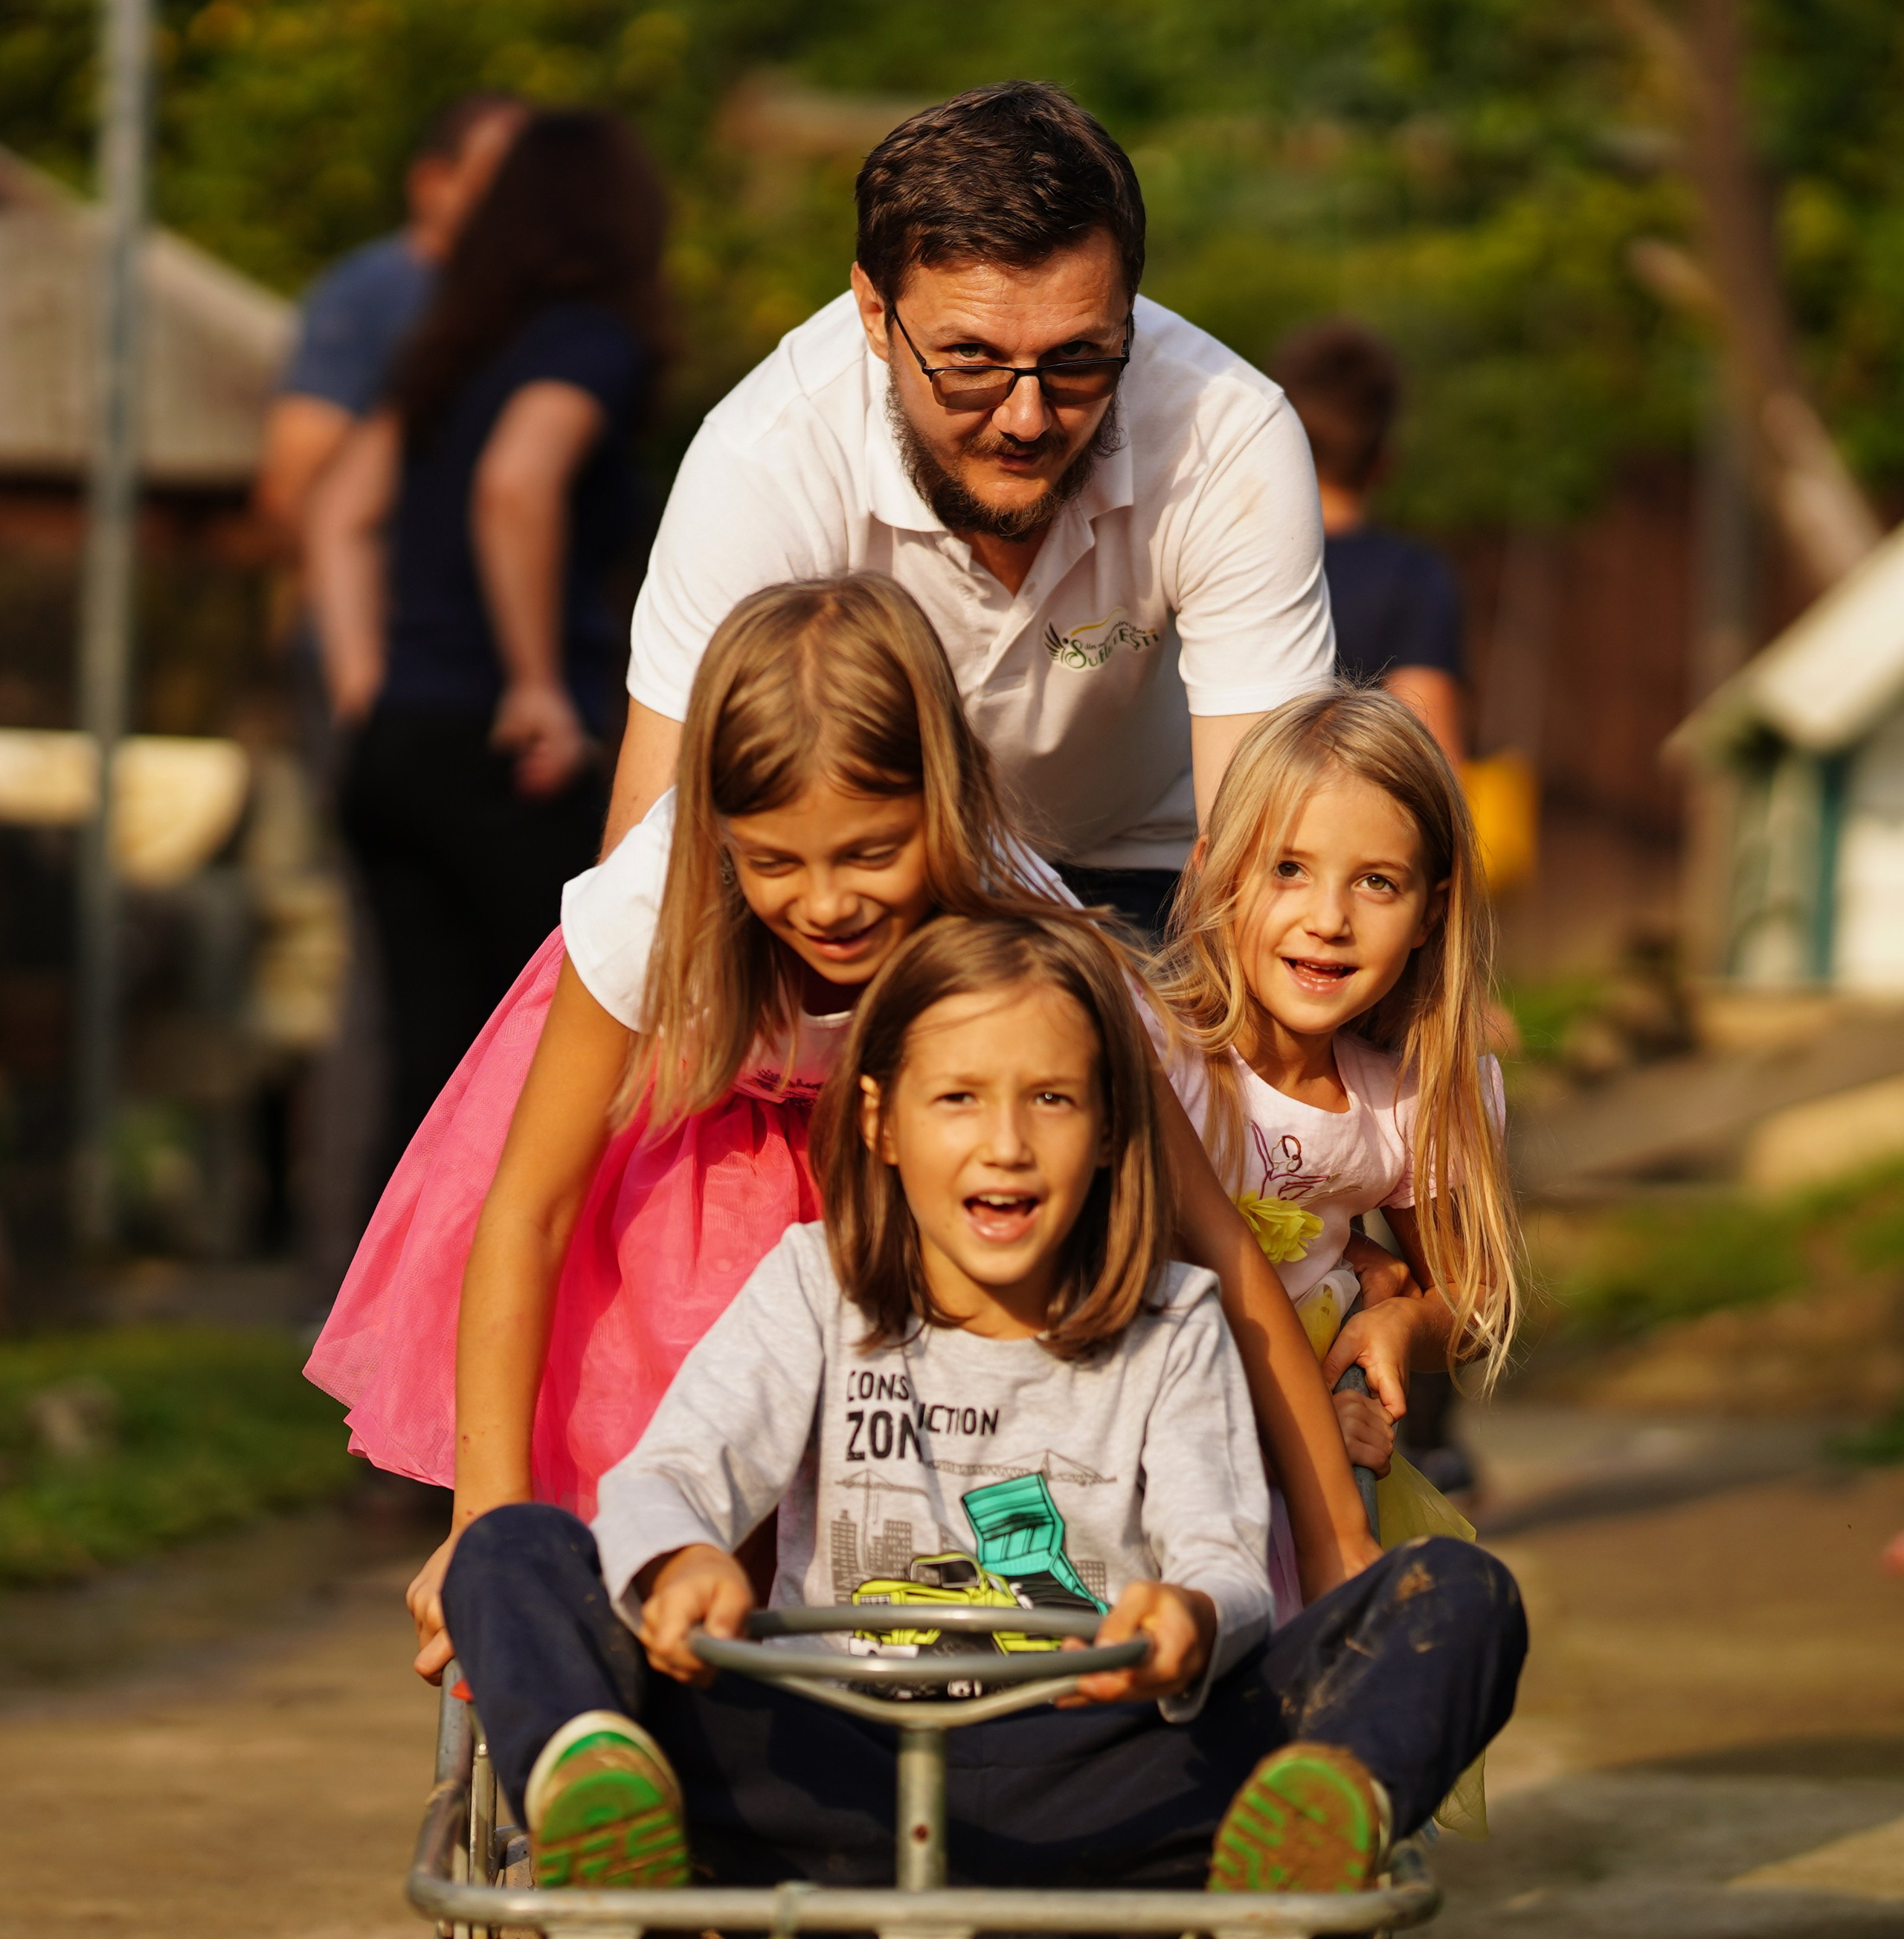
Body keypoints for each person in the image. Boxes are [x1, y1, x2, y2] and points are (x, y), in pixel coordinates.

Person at [440, 910, 1527, 1939]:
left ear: (1113, 1128)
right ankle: (626, 1901)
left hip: (1100, 1814)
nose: (1005, 1143)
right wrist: (680, 1561)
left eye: (1051, 1100)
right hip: (831, 1805)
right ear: (882, 1123)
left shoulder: (1175, 1324)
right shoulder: (818, 1288)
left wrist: (1194, 1617)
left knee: (1458, 1595)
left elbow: (1221, 1545)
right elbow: (667, 1478)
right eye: (958, 1098)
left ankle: (1261, 1926)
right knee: (510, 1548)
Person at [306, 578, 1374, 1675]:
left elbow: (1210, 1230)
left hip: (905, 1162)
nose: (824, 903)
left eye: (870, 854)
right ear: (725, 835)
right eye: (776, 862)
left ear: (941, 804)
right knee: (693, 1397)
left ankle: (870, 1705)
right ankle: (649, 1698)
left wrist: (1338, 1532)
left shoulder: (1004, 912)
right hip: (689, 1168)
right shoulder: (652, 907)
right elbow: (527, 1213)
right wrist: (483, 1521)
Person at [599, 82, 1338, 941]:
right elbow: (652, 862)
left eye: (1077, 359)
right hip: (885, 877)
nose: (1026, 418)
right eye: (970, 360)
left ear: (1129, 313)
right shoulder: (766, 453)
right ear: (875, 313)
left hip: (1147, 862)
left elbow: (1272, 845)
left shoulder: (1228, 432)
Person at [305, 107, 669, 1185]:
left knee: (427, 1066)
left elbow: (337, 517)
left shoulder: (452, 348)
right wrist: (536, 685)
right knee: (547, 1057)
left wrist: (369, 684)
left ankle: (381, 1344)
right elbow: (518, 478)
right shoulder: (591, 341)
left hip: (402, 740)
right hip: (508, 747)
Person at [1153, 686, 1522, 1464]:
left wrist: (1402, 1323)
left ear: (1430, 912)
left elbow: (1470, 1294)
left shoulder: (1405, 1099)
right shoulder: (1152, 1056)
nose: (1328, 919)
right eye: (1288, 868)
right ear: (1218, 872)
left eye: (1376, 882)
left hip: (1312, 1456)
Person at [254, 91, 528, 544]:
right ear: (430, 182)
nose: (524, 202)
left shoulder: (539, 303)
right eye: (498, 181)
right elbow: (292, 486)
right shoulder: (369, 294)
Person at [1269, 321, 1467, 771]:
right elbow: (1432, 751)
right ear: (1383, 463)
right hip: (1346, 830)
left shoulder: (1227, 555)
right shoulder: (1413, 575)